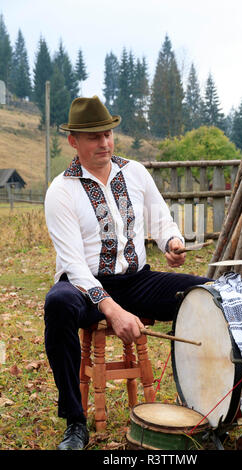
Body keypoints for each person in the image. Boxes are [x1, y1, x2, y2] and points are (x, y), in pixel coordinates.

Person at [44, 95, 210, 450]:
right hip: (83, 288)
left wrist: (172, 242)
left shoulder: (134, 172)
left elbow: (160, 218)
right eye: (93, 136)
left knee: (210, 296)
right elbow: (73, 265)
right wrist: (112, 309)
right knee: (57, 304)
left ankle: (214, 404)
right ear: (74, 141)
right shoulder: (61, 191)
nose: (104, 142)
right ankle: (75, 421)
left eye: (107, 134)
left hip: (136, 281)